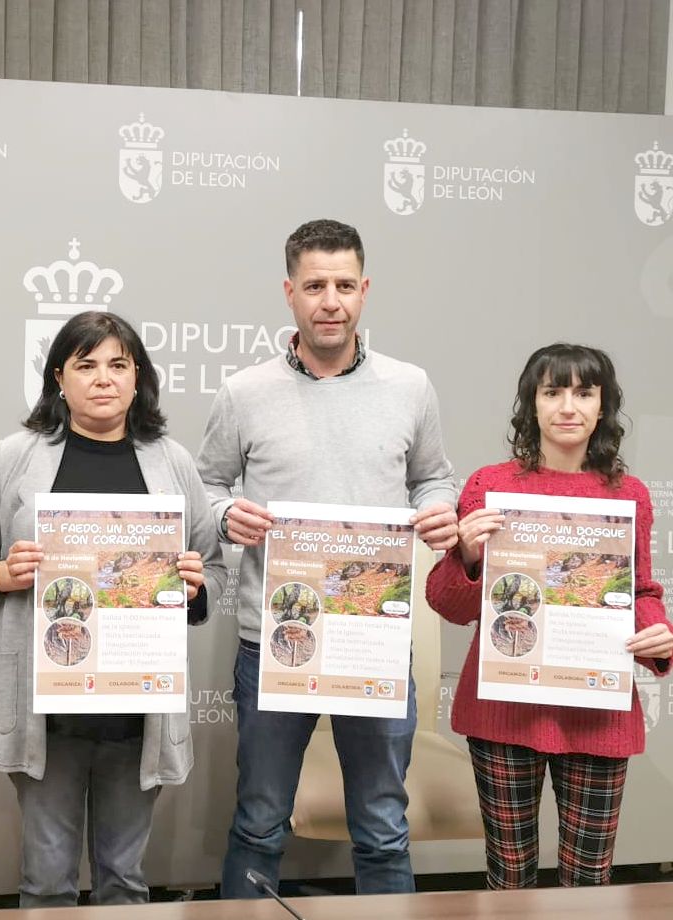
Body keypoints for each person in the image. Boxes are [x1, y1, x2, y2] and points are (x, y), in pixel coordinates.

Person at [195, 218, 459, 896]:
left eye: (344, 285)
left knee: (381, 822)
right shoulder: (245, 392)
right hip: (274, 639)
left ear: (365, 290)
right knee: (259, 820)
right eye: (315, 286)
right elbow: (205, 485)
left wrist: (438, 507)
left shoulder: (410, 386)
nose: (330, 300)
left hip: (371, 636)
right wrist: (227, 514)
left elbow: (433, 476)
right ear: (290, 292)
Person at [0, 310, 226, 907]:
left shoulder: (171, 462)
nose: (103, 378)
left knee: (124, 879)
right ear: (58, 379)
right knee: (46, 882)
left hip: (137, 704)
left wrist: (197, 590)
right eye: (86, 365)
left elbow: (215, 566)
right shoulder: (16, 456)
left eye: (119, 364)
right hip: (46, 706)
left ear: (138, 377)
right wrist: (0, 573)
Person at [425, 343, 673, 889]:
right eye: (552, 391)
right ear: (530, 404)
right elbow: (447, 603)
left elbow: (642, 591)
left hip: (597, 708)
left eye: (584, 392)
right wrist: (465, 555)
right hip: (505, 708)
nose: (568, 406)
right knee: (509, 880)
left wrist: (660, 633)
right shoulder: (489, 486)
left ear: (603, 406)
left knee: (587, 885)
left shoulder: (627, 494)